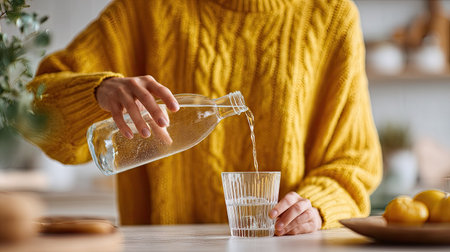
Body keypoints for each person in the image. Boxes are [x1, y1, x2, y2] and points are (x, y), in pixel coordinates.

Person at [26, 0, 382, 235]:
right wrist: (97, 92)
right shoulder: (145, 9)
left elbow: (353, 164)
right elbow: (32, 111)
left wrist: (316, 207)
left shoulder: (332, 16)